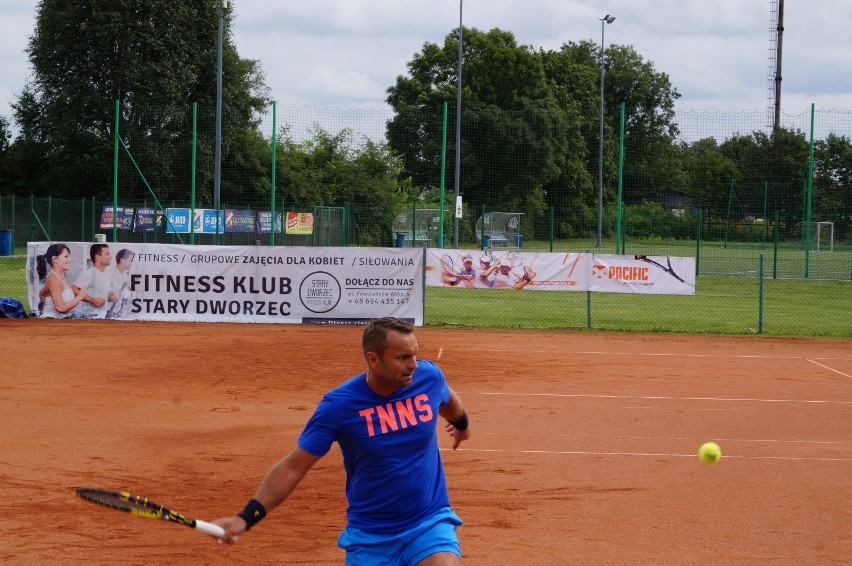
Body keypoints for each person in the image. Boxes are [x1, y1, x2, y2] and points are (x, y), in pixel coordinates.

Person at [213, 317, 471, 565]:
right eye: (403, 357)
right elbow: (293, 467)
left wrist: (462, 424)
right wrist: (246, 517)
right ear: (373, 359)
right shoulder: (339, 406)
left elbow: (447, 399)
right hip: (371, 535)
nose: (414, 364)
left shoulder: (427, 377)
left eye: (415, 354)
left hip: (428, 521)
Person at [36, 243, 88, 318]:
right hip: (54, 322)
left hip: (65, 317)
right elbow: (61, 308)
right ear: (55, 259)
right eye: (66, 256)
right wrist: (80, 297)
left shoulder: (61, 277)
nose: (70, 260)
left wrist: (49, 304)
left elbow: (42, 293)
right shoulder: (53, 279)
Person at [73, 243, 119, 318]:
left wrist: (109, 298)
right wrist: (92, 300)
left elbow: (99, 294)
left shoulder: (106, 274)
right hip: (89, 317)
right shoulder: (89, 273)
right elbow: (74, 289)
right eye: (107, 254)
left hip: (101, 317)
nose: (111, 256)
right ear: (97, 257)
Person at [106, 249, 135, 318]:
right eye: (130, 260)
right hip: (109, 314)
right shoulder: (109, 274)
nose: (131, 263)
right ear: (122, 260)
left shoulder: (126, 275)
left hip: (121, 314)